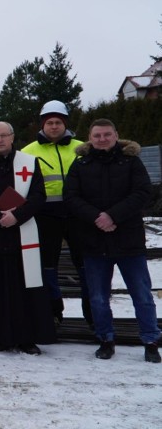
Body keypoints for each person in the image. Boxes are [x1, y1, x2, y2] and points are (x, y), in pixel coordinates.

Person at [64, 119, 160, 363]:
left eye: (107, 134)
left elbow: (142, 192)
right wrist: (97, 217)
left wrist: (113, 216)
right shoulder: (81, 164)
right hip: (94, 242)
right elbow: (71, 197)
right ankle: (105, 339)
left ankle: (150, 340)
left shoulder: (131, 161)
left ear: (116, 135)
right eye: (97, 135)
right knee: (98, 297)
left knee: (141, 295)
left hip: (128, 241)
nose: (102, 139)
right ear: (90, 138)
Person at [0, 122, 55, 354]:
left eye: (3, 135)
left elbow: (39, 195)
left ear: (12, 136)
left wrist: (16, 216)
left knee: (25, 286)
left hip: (22, 234)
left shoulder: (29, 162)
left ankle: (28, 338)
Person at [21, 100, 91, 326]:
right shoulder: (28, 152)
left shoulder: (83, 148)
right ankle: (53, 312)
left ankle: (92, 314)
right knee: (47, 266)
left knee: (85, 265)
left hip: (77, 214)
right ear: (43, 124)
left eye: (58, 122)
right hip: (45, 215)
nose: (53, 127)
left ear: (65, 124)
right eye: (49, 122)